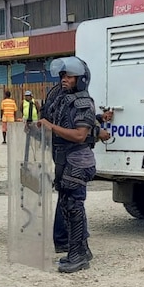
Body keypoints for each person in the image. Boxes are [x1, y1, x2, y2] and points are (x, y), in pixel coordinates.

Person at [37, 56, 98, 273]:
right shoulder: (61, 100)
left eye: (69, 76)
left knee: (73, 206)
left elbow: (80, 135)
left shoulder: (83, 102)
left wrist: (50, 127)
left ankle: (78, 255)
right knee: (67, 205)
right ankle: (80, 249)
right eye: (63, 75)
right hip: (64, 159)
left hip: (77, 160)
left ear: (80, 79)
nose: (64, 79)